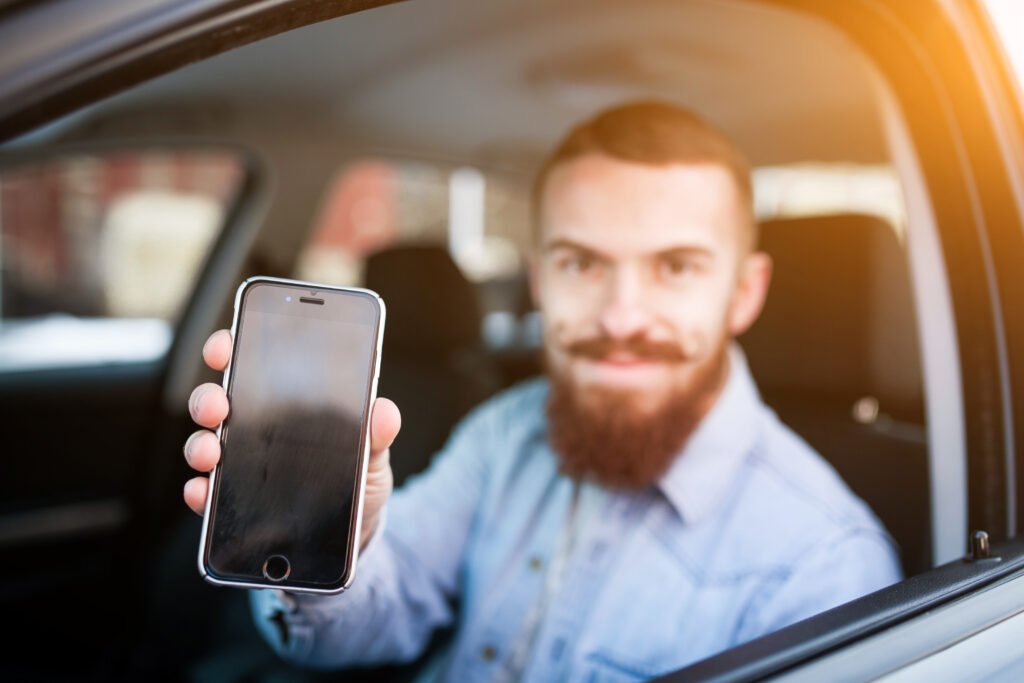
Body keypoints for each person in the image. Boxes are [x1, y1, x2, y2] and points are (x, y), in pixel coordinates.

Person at [182, 101, 901, 680]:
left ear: (744, 293)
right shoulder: (505, 430)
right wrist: (341, 536)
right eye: (581, 263)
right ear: (539, 280)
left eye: (677, 267)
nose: (621, 318)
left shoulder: (825, 566)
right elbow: (373, 619)